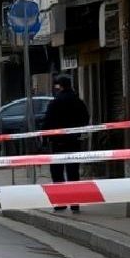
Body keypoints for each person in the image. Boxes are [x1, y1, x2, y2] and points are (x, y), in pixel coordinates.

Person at [41, 74, 90, 213]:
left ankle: (61, 202)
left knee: (57, 172)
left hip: (58, 142)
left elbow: (47, 121)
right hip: (74, 141)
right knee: (73, 172)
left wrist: (44, 139)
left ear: (59, 86)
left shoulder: (55, 102)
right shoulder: (78, 101)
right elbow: (85, 118)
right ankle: (75, 204)